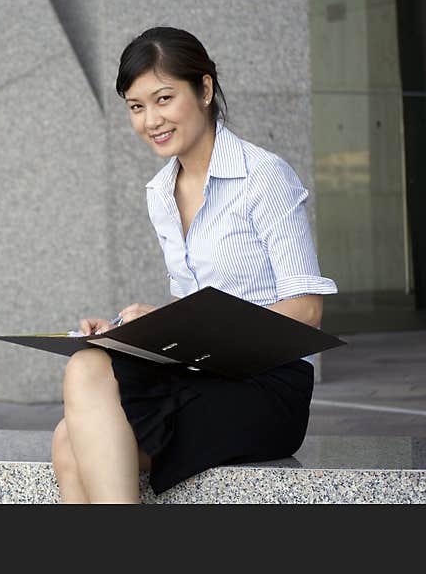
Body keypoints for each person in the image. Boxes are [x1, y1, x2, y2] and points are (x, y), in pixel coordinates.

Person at [51, 26, 338, 504]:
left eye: (164, 98)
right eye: (136, 107)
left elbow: (307, 311)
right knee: (82, 379)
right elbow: (195, 308)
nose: (150, 120)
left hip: (266, 387)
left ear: (204, 89)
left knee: (74, 431)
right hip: (200, 374)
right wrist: (133, 330)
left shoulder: (263, 176)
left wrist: (176, 325)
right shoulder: (160, 193)